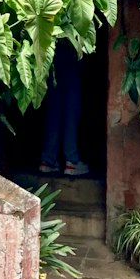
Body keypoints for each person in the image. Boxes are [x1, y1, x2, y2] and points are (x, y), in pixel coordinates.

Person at [39, 39, 89, 177]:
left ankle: (48, 160)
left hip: (51, 45)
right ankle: (71, 161)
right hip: (71, 44)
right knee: (71, 105)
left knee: (54, 105)